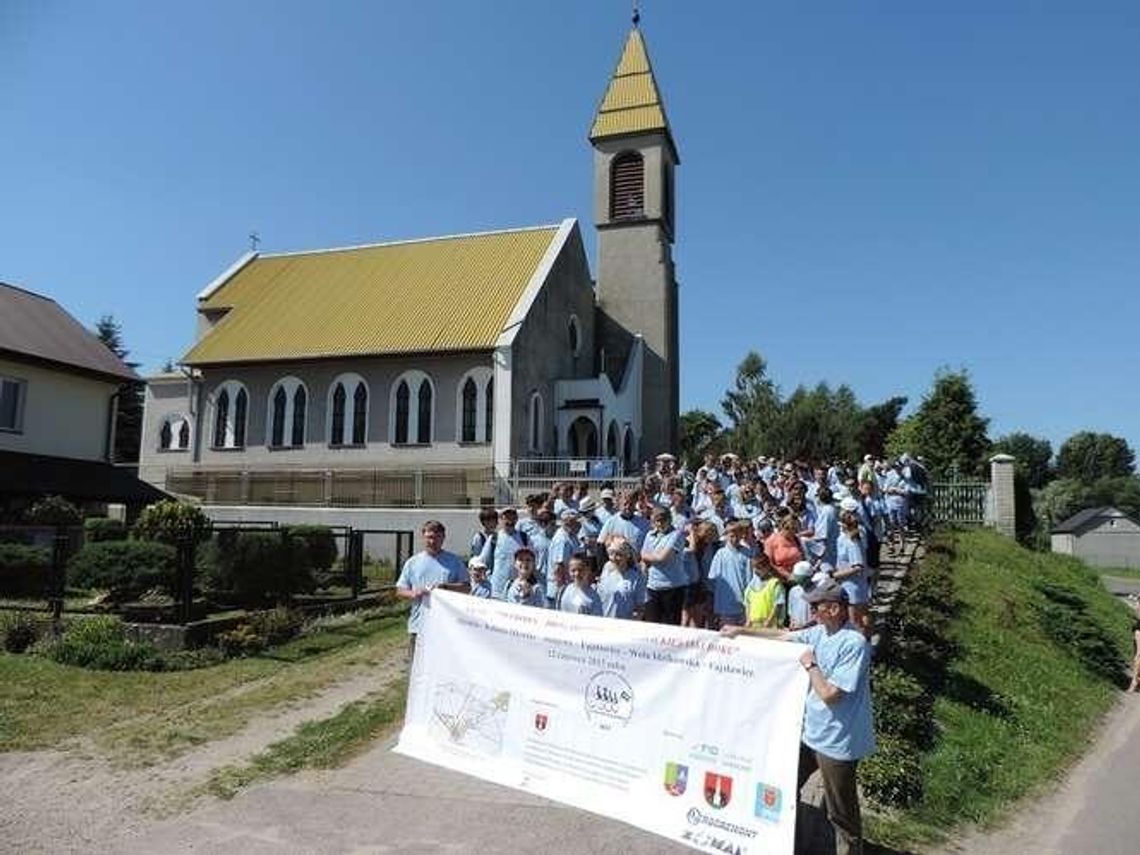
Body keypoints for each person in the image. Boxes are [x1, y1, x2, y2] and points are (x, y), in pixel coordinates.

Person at [722, 579, 875, 855]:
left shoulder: (854, 644)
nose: (812, 611)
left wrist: (811, 665)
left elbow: (830, 694)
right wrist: (741, 631)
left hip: (837, 742)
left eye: (817, 606)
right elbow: (782, 636)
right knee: (784, 787)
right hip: (810, 733)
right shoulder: (819, 632)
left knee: (841, 813)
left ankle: (850, 850)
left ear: (835, 609)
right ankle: (788, 842)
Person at [395, 520, 469, 658]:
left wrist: (446, 587)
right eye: (429, 537)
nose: (432, 541)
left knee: (445, 666)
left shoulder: (454, 561)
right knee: (416, 667)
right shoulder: (413, 562)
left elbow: (466, 588)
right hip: (419, 625)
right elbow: (400, 590)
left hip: (447, 625)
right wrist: (413, 593)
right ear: (423, 537)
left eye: (436, 537)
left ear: (443, 538)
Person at [640, 507, 688, 625]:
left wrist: (649, 556)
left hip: (672, 587)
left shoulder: (676, 535)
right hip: (653, 586)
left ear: (669, 519)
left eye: (663, 520)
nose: (660, 523)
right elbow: (642, 556)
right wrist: (651, 557)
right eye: (657, 520)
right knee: (652, 624)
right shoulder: (649, 535)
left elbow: (662, 557)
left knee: (670, 625)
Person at [707, 519, 752, 628]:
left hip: (743, 602)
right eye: (731, 536)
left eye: (737, 536)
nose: (734, 539)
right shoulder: (720, 554)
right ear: (726, 536)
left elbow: (750, 578)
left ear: (741, 535)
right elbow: (713, 578)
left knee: (743, 634)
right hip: (725, 603)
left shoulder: (747, 553)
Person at [479, 507, 530, 600]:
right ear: (501, 519)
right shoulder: (494, 538)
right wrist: (487, 580)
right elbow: (482, 561)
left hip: (518, 589)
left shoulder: (524, 538)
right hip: (497, 590)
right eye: (506, 518)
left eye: (513, 517)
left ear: (517, 519)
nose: (510, 521)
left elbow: (533, 561)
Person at [834, 511, 871, 638]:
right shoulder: (844, 538)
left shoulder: (852, 542)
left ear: (844, 525)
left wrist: (836, 576)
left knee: (855, 620)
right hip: (851, 585)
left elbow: (857, 566)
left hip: (853, 586)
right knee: (861, 617)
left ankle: (863, 645)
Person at [596, 537, 646, 619]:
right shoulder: (606, 568)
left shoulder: (636, 576)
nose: (614, 558)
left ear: (627, 556)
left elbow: (640, 608)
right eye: (611, 553)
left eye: (619, 554)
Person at [743, 550, 785, 629]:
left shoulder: (775, 584)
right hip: (754, 625)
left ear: (767, 567)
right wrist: (748, 620)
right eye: (754, 568)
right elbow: (747, 604)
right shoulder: (751, 586)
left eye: (759, 568)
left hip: (770, 626)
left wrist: (769, 621)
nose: (756, 571)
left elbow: (778, 605)